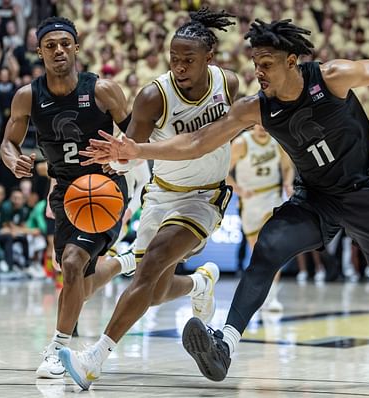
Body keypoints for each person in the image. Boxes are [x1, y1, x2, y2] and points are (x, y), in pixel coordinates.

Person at [80, 19, 369, 381]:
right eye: (256, 65)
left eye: (267, 64)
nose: (259, 72)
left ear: (292, 62)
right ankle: (224, 344)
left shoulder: (330, 77)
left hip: (366, 193)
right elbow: (196, 142)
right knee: (267, 249)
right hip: (316, 197)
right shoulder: (255, 107)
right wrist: (137, 149)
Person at [58, 9, 238, 390]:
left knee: (152, 263)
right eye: (174, 58)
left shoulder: (229, 83)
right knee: (153, 290)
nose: (179, 65)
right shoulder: (154, 96)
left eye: (188, 59)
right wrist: (118, 158)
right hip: (161, 196)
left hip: (205, 197)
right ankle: (200, 284)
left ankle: (95, 358)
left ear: (210, 57)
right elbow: (130, 152)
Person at [0, 17, 137, 379]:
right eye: (50, 45)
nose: (58, 50)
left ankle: (58, 348)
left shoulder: (103, 90)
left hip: (104, 189)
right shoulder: (28, 96)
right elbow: (8, 142)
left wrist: (121, 155)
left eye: (65, 43)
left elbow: (138, 135)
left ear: (76, 47)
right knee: (80, 283)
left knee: (73, 263)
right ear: (39, 52)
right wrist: (14, 161)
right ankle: (124, 263)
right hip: (64, 193)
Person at [227, 123, 294, 311]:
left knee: (273, 247)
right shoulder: (241, 143)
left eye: (265, 123)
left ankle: (272, 296)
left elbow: (288, 167)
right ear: (251, 125)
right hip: (250, 201)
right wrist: (238, 189)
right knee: (257, 253)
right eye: (258, 124)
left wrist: (288, 184)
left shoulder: (277, 141)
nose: (262, 127)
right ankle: (260, 295)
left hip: (272, 196)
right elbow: (224, 172)